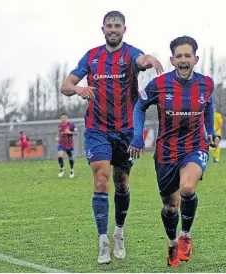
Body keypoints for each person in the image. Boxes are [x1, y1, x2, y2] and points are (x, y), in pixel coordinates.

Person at [60, 10, 163, 264]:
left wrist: (149, 58)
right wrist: (79, 88)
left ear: (124, 29)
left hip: (126, 130)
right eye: (109, 25)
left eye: (117, 25)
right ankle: (103, 241)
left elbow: (140, 60)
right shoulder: (92, 56)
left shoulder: (130, 53)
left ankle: (119, 232)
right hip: (97, 129)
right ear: (103, 29)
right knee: (101, 178)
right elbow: (65, 86)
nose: (113, 29)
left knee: (122, 182)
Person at [128, 35, 219, 267]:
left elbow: (208, 105)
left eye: (187, 55)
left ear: (196, 59)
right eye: (179, 56)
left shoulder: (206, 84)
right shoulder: (159, 84)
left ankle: (186, 235)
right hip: (165, 153)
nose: (183, 59)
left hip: (195, 147)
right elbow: (139, 106)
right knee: (170, 208)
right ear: (172, 60)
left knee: (188, 188)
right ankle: (172, 242)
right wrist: (138, 137)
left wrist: (209, 130)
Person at [55, 112, 77, 178]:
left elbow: (76, 133)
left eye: (64, 118)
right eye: (62, 118)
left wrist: (70, 132)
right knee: (59, 155)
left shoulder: (71, 125)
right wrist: (57, 137)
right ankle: (62, 169)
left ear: (67, 118)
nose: (63, 119)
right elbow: (59, 133)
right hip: (61, 143)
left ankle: (72, 170)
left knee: (70, 157)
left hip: (69, 144)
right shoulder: (59, 125)